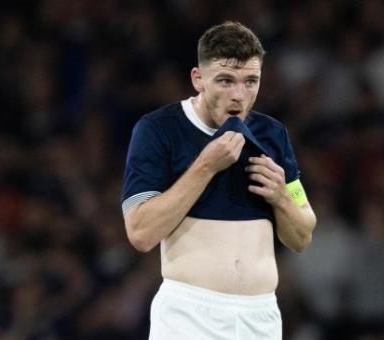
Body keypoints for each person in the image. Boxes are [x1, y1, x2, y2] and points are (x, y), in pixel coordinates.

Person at [121, 21, 316, 340]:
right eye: (226, 81)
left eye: (250, 81)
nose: (239, 96)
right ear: (198, 79)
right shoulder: (158, 130)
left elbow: (302, 235)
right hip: (189, 317)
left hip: (261, 318)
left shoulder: (272, 134)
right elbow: (141, 232)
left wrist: (281, 197)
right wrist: (205, 167)